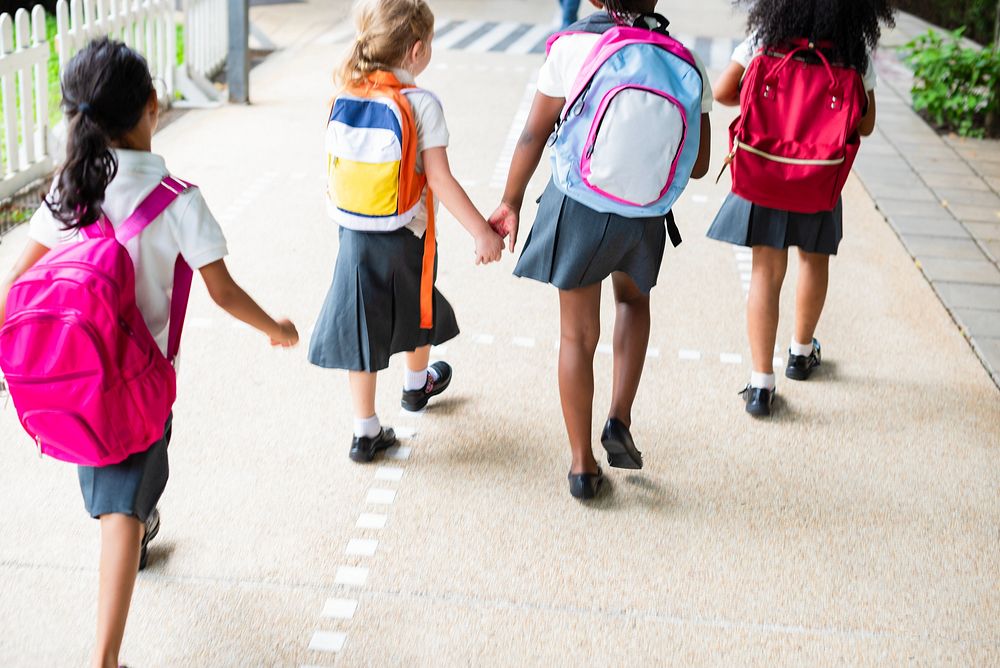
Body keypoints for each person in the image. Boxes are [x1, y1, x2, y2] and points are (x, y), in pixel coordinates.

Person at [0, 39, 298, 668]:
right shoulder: (178, 200)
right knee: (119, 510)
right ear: (152, 108)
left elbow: (18, 285)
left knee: (114, 492)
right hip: (138, 388)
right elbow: (222, 292)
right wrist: (274, 325)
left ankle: (135, 528)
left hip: (72, 382)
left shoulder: (68, 191)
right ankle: (104, 657)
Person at [489, 0, 713, 499]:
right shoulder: (686, 62)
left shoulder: (571, 46)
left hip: (581, 206)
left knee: (576, 337)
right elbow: (698, 165)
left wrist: (510, 200)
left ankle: (582, 465)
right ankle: (619, 418)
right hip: (645, 215)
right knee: (632, 302)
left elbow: (533, 132)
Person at [308, 0, 505, 464]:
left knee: (363, 324)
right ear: (416, 51)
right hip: (408, 234)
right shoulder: (422, 104)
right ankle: (416, 387)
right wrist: (482, 232)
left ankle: (364, 431)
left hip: (353, 235)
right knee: (418, 305)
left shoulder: (347, 91)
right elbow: (439, 179)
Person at [708, 0, 893, 416]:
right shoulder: (851, 49)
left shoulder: (765, 37)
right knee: (813, 260)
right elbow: (866, 123)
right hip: (818, 175)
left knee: (765, 272)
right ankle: (800, 353)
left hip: (766, 170)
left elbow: (722, 92)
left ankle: (760, 385)